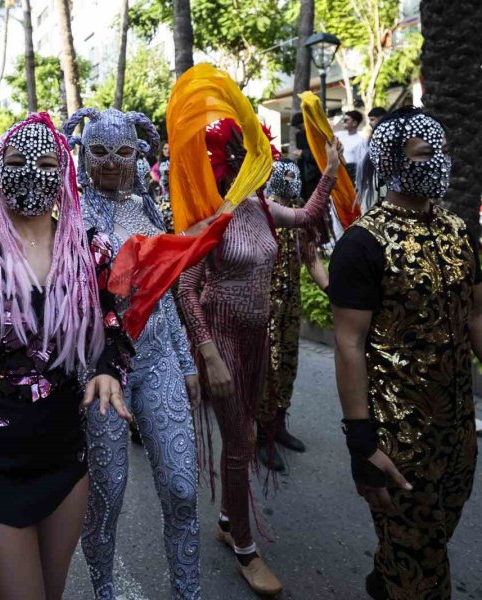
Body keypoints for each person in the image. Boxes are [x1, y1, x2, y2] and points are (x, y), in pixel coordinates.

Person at [0, 113, 131, 600]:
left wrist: (104, 368)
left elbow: (112, 324)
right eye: (16, 161)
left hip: (64, 454)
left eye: (49, 163)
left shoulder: (87, 249)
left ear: (65, 174)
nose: (33, 172)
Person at [177, 119, 340, 596]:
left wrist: (329, 171)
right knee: (241, 440)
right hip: (221, 338)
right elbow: (187, 290)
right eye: (252, 156)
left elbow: (308, 216)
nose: (261, 163)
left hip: (257, 340)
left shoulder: (262, 208)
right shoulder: (209, 215)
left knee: (244, 434)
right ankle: (245, 548)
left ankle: (229, 520)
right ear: (229, 164)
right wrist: (208, 354)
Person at [328, 107, 478, 600]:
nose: (438, 161)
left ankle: (388, 571)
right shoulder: (362, 244)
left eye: (441, 150)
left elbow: (475, 316)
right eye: (425, 153)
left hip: (458, 433)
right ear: (393, 161)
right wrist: (362, 445)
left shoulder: (459, 231)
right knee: (425, 576)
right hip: (399, 442)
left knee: (433, 537)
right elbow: (348, 344)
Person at [65, 107, 202, 599]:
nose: (109, 163)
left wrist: (186, 360)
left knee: (183, 491)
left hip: (159, 359)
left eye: (123, 152)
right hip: (100, 371)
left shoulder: (148, 209)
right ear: (83, 152)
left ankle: (189, 592)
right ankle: (105, 588)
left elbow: (164, 292)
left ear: (139, 154)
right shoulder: (69, 216)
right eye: (98, 151)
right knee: (109, 495)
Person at [256, 158, 330, 471]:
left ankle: (279, 425)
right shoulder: (262, 211)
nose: (288, 179)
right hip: (264, 306)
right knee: (267, 370)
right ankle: (262, 437)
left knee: (287, 363)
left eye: (292, 174)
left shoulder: (302, 213)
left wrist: (333, 290)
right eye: (282, 174)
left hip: (292, 304)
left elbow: (312, 259)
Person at [290, 113, 322, 202]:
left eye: (300, 127)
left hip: (315, 174)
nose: (298, 129)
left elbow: (319, 155)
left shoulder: (316, 134)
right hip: (304, 174)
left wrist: (303, 153)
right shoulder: (300, 135)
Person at [335, 110, 369, 182]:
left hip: (350, 175)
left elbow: (361, 164)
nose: (343, 122)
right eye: (343, 120)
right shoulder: (338, 135)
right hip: (336, 172)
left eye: (346, 120)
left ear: (354, 123)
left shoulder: (361, 141)